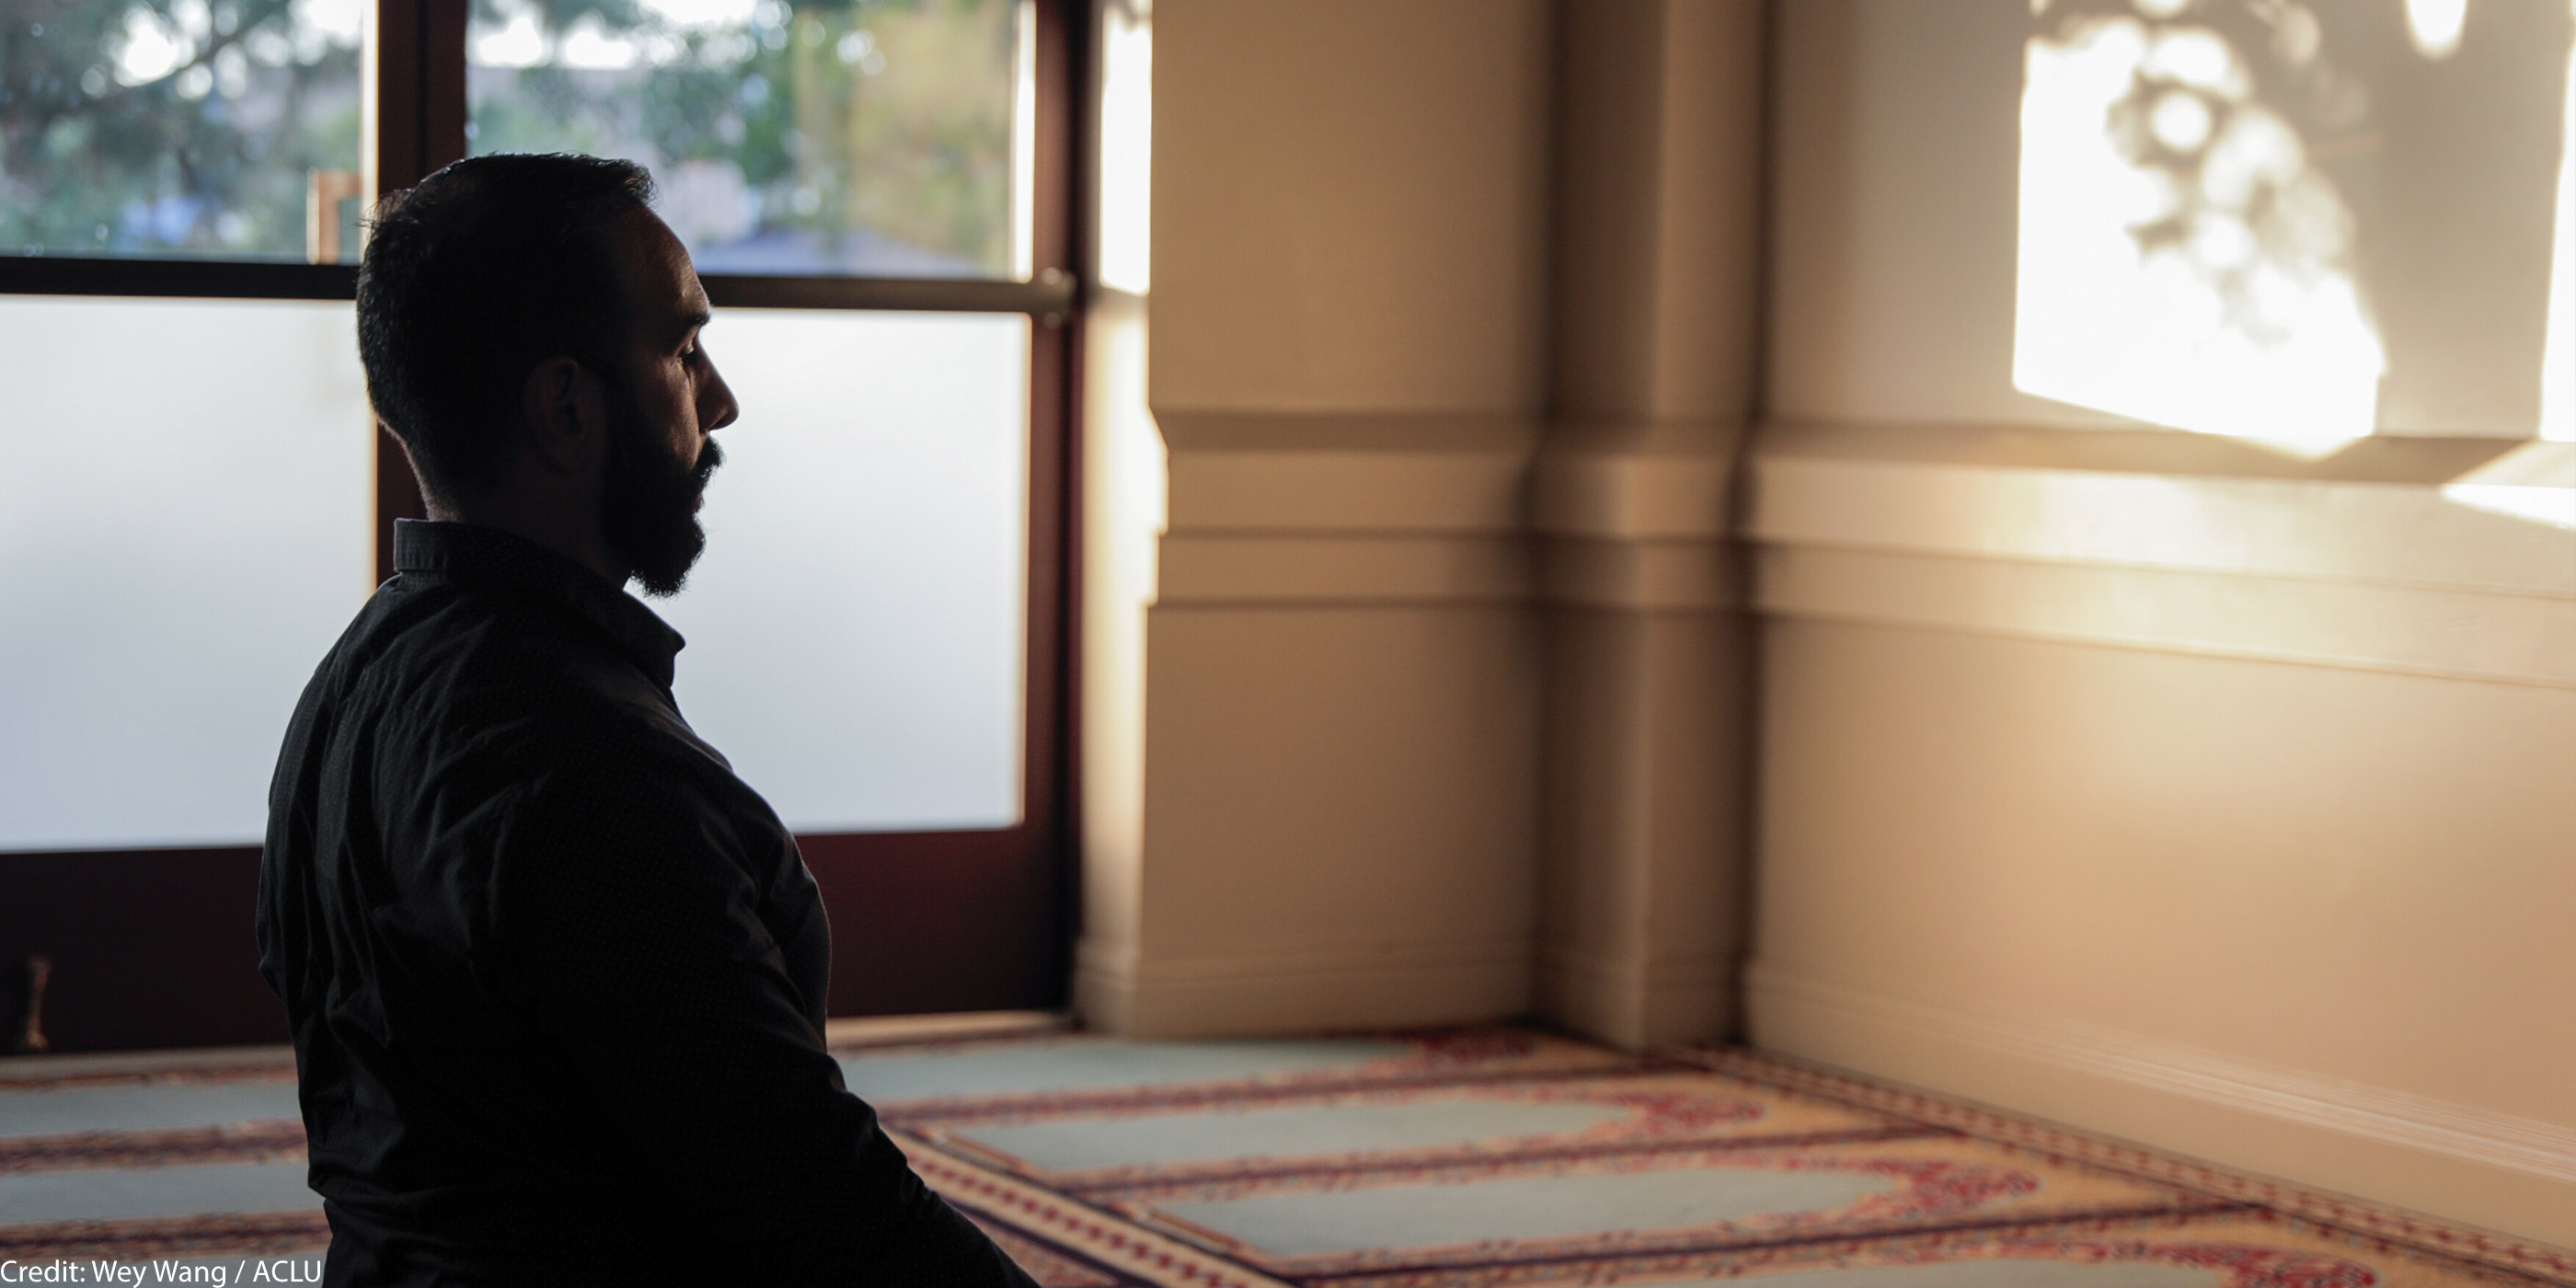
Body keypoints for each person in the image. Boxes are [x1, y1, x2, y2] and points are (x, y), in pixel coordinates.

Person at [257, 153, 1040, 1287]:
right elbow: (817, 1203)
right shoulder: (580, 767)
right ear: (566, 406)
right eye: (680, 350)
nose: (718, 399)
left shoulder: (352, 684)